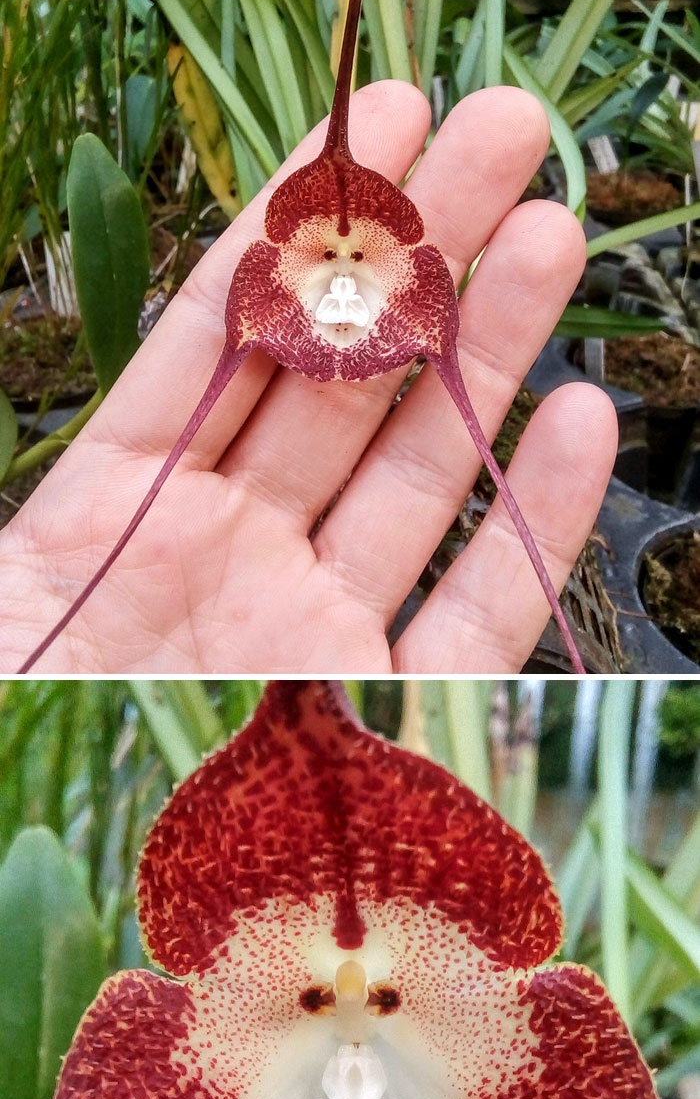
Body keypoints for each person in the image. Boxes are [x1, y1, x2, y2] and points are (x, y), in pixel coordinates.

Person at [0, 83, 616, 675]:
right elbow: (245, 329)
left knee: (456, 379)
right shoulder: (281, 267)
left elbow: (434, 334)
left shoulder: (401, 268)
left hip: (366, 300)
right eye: (328, 252)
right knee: (205, 403)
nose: (342, 264)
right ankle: (57, 624)